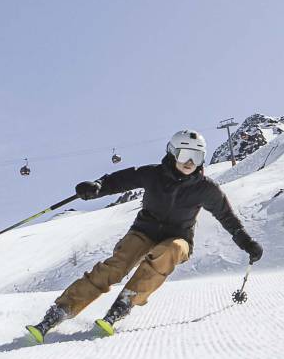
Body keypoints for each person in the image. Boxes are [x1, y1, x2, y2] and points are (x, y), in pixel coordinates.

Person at [26, 130, 263, 342]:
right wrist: (97, 187)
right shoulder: (154, 174)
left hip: (178, 237)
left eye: (197, 157)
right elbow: (120, 180)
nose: (190, 162)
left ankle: (126, 301)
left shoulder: (206, 189)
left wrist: (246, 241)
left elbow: (227, 217)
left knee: (170, 252)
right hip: (143, 231)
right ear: (172, 153)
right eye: (184, 155)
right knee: (115, 267)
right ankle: (61, 310)